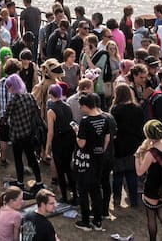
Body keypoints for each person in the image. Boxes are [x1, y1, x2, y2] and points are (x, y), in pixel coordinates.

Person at [74, 92, 111, 232]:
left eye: (81, 106)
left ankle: (85, 221)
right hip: (99, 158)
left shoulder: (85, 121)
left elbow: (82, 143)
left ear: (85, 106)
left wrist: (77, 132)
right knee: (96, 190)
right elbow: (107, 138)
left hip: (86, 160)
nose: (80, 109)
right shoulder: (105, 118)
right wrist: (101, 150)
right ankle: (97, 220)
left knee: (83, 190)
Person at [136, 120, 162, 241]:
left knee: (151, 217)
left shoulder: (151, 153)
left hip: (152, 188)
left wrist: (137, 156)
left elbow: (139, 172)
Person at [3, 73, 45, 186]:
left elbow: (4, 118)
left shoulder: (13, 101)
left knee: (18, 160)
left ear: (12, 86)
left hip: (17, 135)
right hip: (30, 133)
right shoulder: (29, 96)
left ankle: (20, 182)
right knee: (32, 159)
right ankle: (39, 181)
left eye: (8, 86)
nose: (8, 89)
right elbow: (37, 111)